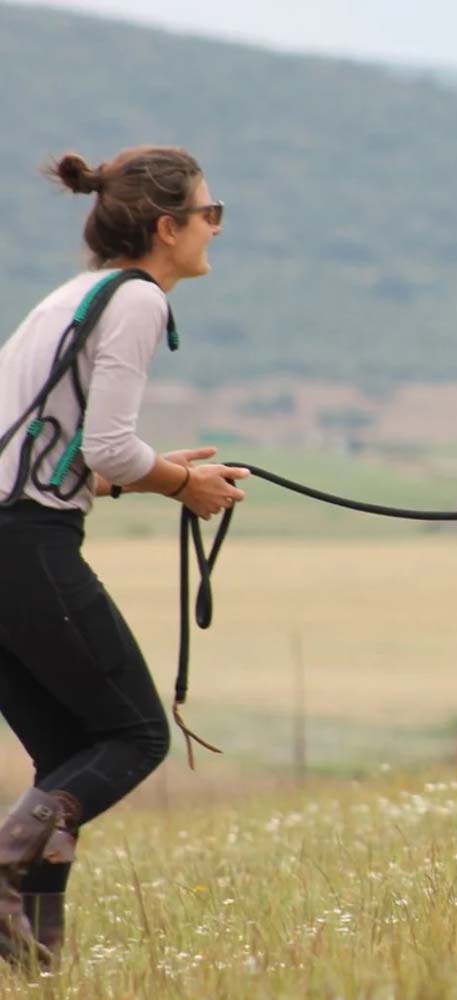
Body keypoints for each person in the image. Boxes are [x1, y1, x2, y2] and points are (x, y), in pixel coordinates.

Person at [0, 146, 250, 967]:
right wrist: (182, 484)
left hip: (13, 529)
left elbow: (67, 457)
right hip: (24, 544)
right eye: (210, 213)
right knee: (137, 735)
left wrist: (162, 475)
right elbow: (109, 448)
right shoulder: (136, 299)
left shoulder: (74, 296)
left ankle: (34, 957)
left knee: (68, 760)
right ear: (166, 226)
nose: (217, 227)